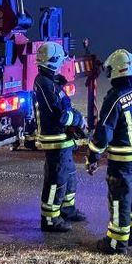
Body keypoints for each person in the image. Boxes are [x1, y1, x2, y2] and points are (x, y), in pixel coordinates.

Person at [87, 49, 132, 254]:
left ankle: (116, 243)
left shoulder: (114, 98)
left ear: (116, 72)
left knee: (119, 200)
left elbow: (103, 133)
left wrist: (93, 156)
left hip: (122, 160)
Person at [33, 41, 87, 232]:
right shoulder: (44, 83)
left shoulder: (51, 81)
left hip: (62, 138)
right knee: (56, 179)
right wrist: (79, 120)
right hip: (54, 139)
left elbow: (63, 108)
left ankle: (67, 209)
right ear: (54, 61)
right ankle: (49, 218)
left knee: (69, 174)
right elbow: (60, 115)